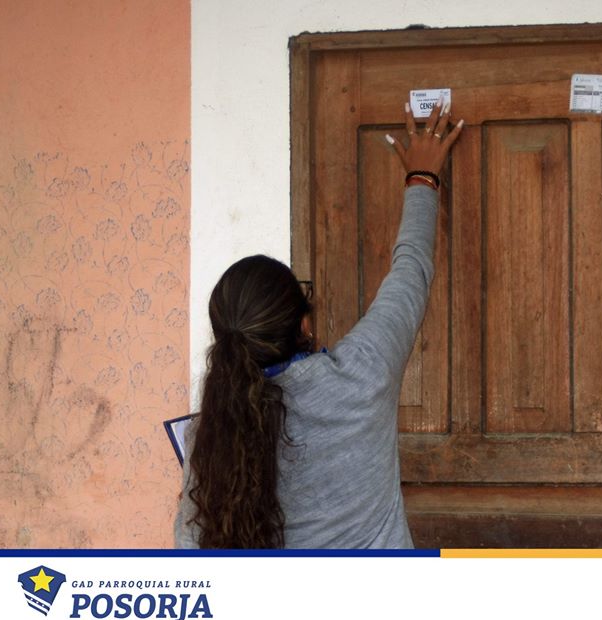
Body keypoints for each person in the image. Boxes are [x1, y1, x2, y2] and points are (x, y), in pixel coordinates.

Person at [174, 100, 463, 548]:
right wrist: (422, 178)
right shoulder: (362, 374)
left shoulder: (208, 433)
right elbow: (410, 273)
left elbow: (190, 549)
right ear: (304, 326)